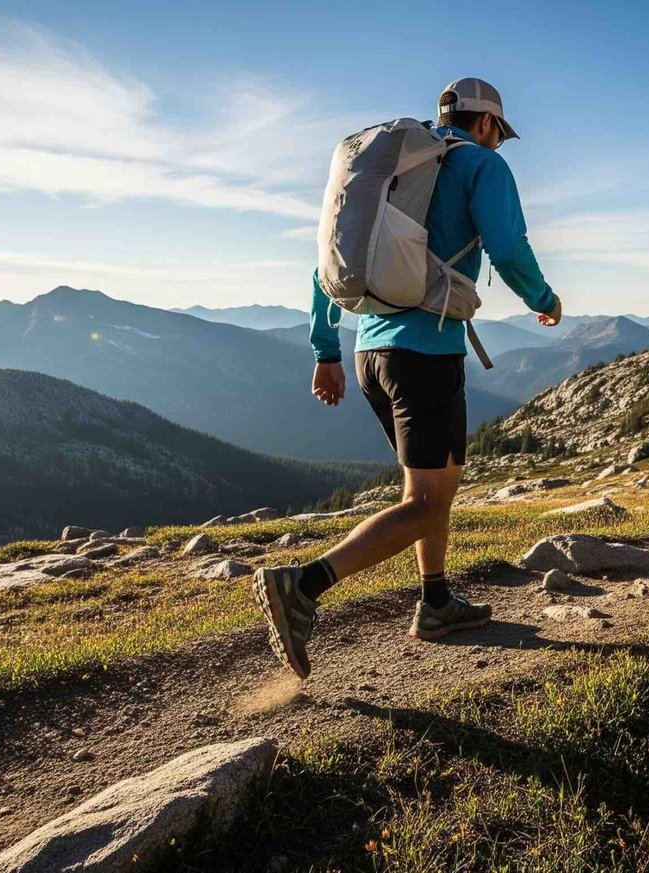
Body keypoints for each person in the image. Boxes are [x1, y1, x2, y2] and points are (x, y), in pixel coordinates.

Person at [254, 77, 563, 678]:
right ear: (486, 123)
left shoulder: (397, 170)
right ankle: (303, 586)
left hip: (370, 350)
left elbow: (327, 263)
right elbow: (507, 246)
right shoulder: (481, 165)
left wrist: (325, 350)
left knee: (429, 490)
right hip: (426, 354)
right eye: (500, 133)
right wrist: (543, 298)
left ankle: (436, 601)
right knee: (427, 501)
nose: (498, 144)